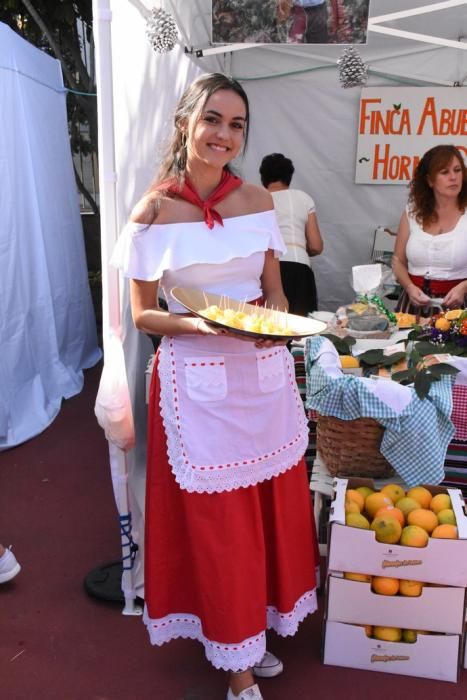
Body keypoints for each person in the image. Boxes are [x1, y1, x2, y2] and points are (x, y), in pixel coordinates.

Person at [113, 73, 319, 700]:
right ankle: (236, 666)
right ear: (185, 123)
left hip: (260, 372)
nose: (223, 135)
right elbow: (143, 315)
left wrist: (276, 322)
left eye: (236, 125)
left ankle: (251, 628)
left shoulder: (257, 202)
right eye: (213, 120)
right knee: (220, 523)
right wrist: (200, 323)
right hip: (195, 375)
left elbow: (273, 284)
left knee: (265, 510)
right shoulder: (152, 211)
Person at [392, 144, 467, 316]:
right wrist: (409, 287)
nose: (454, 177)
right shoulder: (412, 211)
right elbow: (398, 260)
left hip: (460, 309)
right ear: (430, 180)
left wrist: (464, 287)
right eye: (444, 172)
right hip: (412, 306)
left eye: (457, 170)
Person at [259, 153, 323, 317]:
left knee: (269, 326)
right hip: (298, 265)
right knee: (300, 329)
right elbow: (316, 246)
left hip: (264, 269)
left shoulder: (256, 199)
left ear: (263, 177)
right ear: (289, 177)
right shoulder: (303, 198)